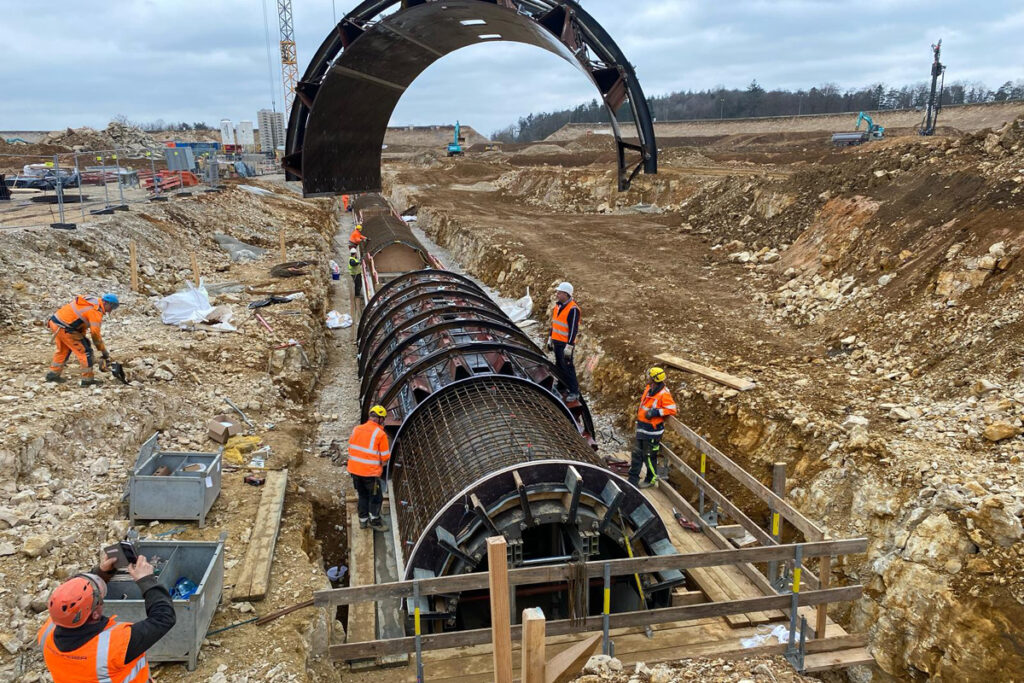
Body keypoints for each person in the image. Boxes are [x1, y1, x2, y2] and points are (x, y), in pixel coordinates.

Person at [37, 551, 175, 682]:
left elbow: (74, 601)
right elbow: (163, 618)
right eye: (99, 599)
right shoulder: (114, 646)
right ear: (95, 614)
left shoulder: (47, 632)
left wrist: (102, 572)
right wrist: (147, 580)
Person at [46, 293, 119, 387]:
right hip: (65, 327)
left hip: (56, 322)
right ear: (106, 303)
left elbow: (80, 321)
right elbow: (95, 334)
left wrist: (83, 338)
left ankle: (53, 375)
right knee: (85, 352)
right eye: (112, 307)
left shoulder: (91, 302)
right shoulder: (95, 311)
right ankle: (87, 380)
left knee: (63, 350)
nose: (111, 310)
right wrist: (103, 350)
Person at [629, 367, 678, 488]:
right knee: (636, 454)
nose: (647, 378)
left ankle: (650, 479)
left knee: (649, 456)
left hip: (652, 432)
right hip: (642, 427)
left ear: (654, 379)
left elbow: (672, 409)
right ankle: (632, 479)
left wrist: (656, 412)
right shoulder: (649, 388)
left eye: (649, 376)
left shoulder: (664, 394)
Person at [347, 404, 391, 531]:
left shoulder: (357, 429)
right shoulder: (380, 434)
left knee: (362, 495)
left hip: (355, 471)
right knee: (376, 498)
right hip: (370, 474)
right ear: (380, 419)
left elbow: (352, 448)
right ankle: (375, 521)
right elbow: (385, 458)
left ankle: (363, 521)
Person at [547, 281, 581, 401]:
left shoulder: (573, 309)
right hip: (557, 341)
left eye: (560, 292)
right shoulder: (558, 306)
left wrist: (569, 346)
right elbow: (554, 323)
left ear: (566, 294)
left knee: (568, 367)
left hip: (565, 344)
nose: (557, 294)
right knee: (559, 364)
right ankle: (561, 385)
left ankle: (574, 391)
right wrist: (550, 337)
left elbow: (573, 329)